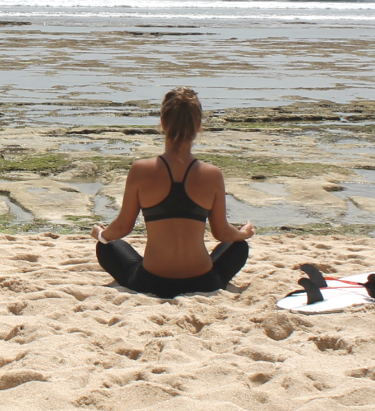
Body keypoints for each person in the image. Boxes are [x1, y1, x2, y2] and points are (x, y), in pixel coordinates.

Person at [91, 87, 254, 298]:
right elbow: (222, 233)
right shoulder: (213, 174)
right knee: (238, 247)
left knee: (108, 246)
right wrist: (244, 233)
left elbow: (123, 227)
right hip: (204, 282)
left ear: (163, 123)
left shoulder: (140, 170)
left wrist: (101, 235)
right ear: (198, 126)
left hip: (151, 281)